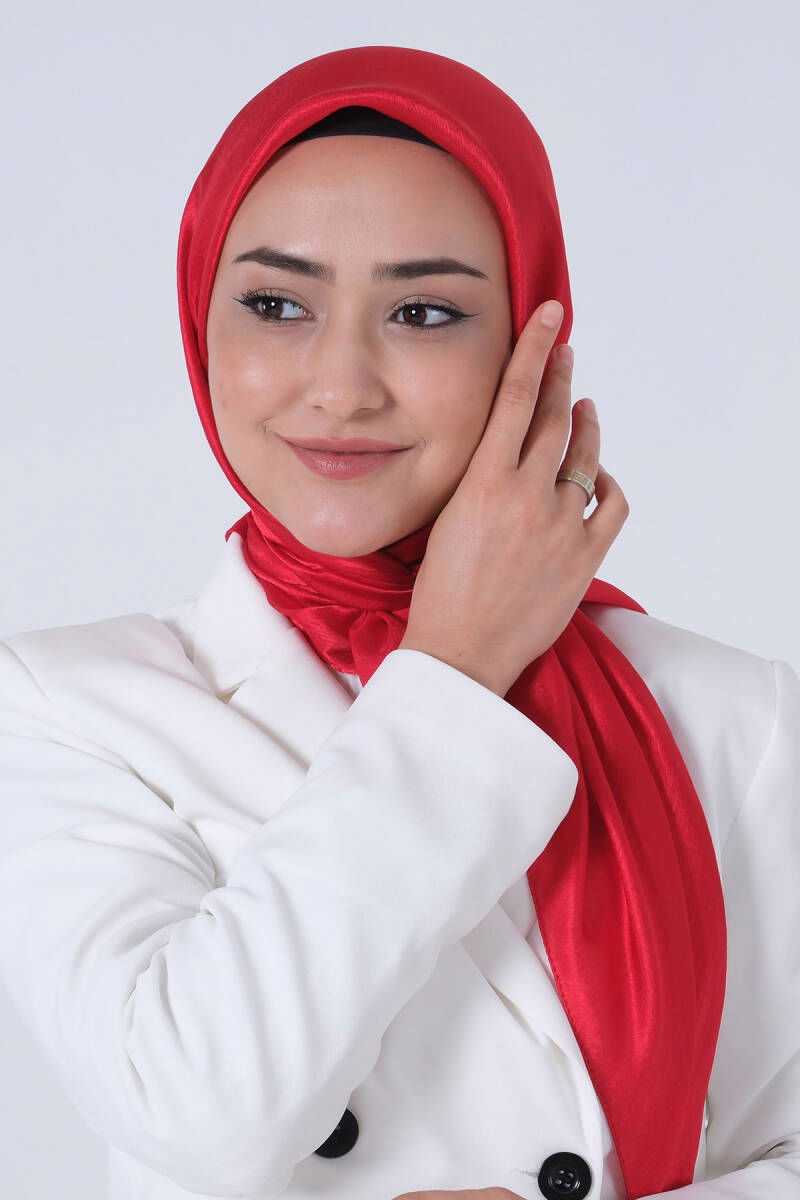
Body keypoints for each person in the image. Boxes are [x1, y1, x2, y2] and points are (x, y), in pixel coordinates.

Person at [0, 43, 797, 1200]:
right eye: (275, 304)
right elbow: (193, 1110)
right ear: (198, 321)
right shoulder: (67, 706)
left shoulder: (734, 718)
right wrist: (453, 670)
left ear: (529, 345)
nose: (340, 385)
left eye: (423, 313)